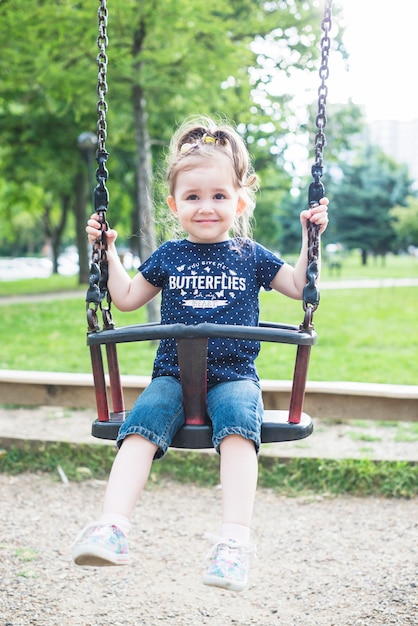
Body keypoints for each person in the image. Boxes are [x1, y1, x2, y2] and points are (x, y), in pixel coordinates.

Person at [72, 115, 329, 592]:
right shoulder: (168, 255)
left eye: (218, 196)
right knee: (138, 429)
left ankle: (233, 546)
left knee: (237, 429)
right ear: (174, 204)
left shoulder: (251, 255)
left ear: (239, 201)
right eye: (192, 197)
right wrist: (105, 252)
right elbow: (126, 298)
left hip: (234, 376)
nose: (205, 207)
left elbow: (297, 287)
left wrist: (310, 239)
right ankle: (112, 527)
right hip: (170, 375)